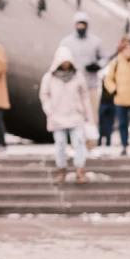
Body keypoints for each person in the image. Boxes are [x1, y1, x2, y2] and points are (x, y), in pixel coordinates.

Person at [41, 51, 94, 182]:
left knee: (79, 143)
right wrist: (49, 110)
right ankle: (61, 169)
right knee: (60, 144)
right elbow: (44, 95)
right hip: (57, 117)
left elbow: (85, 96)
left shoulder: (78, 76)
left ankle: (80, 169)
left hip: (75, 115)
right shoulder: (49, 77)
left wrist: (88, 115)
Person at [59, 11, 106, 144]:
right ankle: (75, 143)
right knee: (73, 115)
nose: (81, 27)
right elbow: (59, 59)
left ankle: (91, 143)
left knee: (91, 115)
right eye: (78, 24)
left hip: (90, 84)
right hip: (71, 86)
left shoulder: (95, 41)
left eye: (83, 24)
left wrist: (97, 65)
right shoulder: (66, 42)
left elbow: (104, 58)